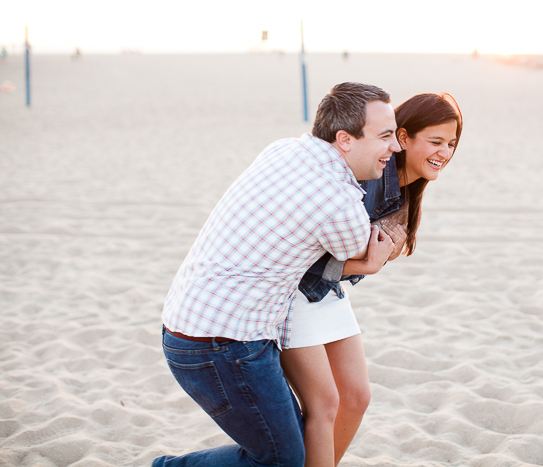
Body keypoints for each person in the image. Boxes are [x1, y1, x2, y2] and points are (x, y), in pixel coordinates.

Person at [153, 82, 403, 467]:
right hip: (224, 344)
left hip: (188, 325)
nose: (396, 147)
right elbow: (362, 251)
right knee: (281, 459)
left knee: (288, 448)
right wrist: (373, 261)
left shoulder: (285, 149)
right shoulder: (340, 202)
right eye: (386, 136)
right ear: (344, 139)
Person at [280, 93, 463, 467]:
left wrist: (367, 262)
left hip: (326, 292)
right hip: (292, 293)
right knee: (325, 404)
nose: (445, 152)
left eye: (451, 144)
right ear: (404, 137)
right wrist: (366, 265)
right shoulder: (374, 176)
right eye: (436, 141)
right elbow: (307, 258)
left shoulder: (406, 190)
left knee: (357, 397)